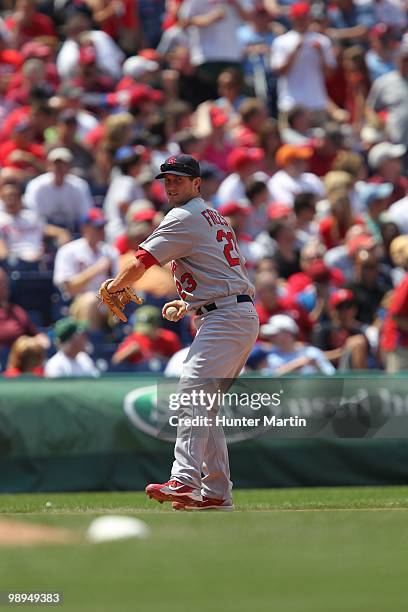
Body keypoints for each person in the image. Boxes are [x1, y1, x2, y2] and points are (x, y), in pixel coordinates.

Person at [99, 154, 259, 511]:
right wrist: (190, 304)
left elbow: (141, 261)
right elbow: (222, 270)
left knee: (193, 388)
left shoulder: (183, 216)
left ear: (196, 183)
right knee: (206, 404)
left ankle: (185, 479)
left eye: (178, 179)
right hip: (231, 312)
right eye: (166, 180)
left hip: (226, 317)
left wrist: (113, 287)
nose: (171, 186)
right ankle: (216, 492)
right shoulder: (210, 214)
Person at [24, 147, 93, 233]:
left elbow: (86, 214)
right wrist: (57, 232)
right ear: (48, 166)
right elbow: (32, 217)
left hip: (73, 228)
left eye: (63, 164)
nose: (59, 168)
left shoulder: (79, 185)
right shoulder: (36, 186)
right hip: (44, 230)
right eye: (55, 164)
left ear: (69, 167)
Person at [111, 305, 181, 368]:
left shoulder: (169, 338)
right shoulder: (135, 337)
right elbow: (115, 361)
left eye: (148, 329)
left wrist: (160, 358)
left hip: (163, 378)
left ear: (157, 326)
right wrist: (129, 351)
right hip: (139, 378)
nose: (144, 332)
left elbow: (179, 363)